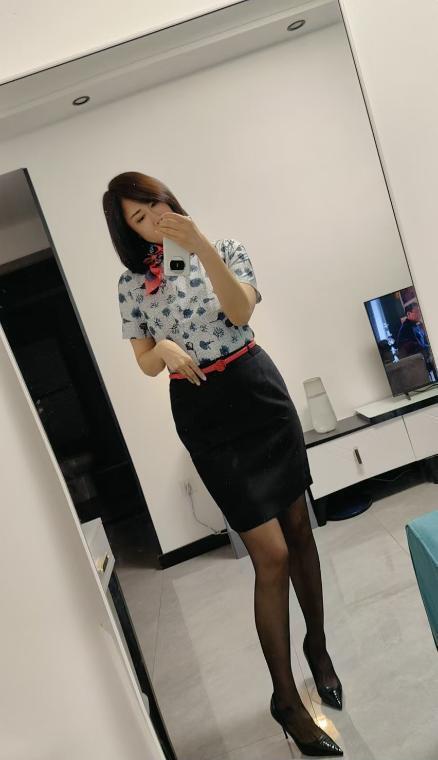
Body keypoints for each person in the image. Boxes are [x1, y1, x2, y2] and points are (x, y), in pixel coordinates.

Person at [103, 171, 344, 757]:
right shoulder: (131, 285)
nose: (153, 220)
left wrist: (201, 246)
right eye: (138, 218)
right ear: (128, 231)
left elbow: (238, 311)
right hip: (204, 413)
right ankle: (285, 698)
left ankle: (317, 647)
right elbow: (144, 362)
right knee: (272, 554)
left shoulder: (226, 248)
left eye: (155, 205)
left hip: (258, 392)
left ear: (170, 199)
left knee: (300, 531)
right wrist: (161, 348)